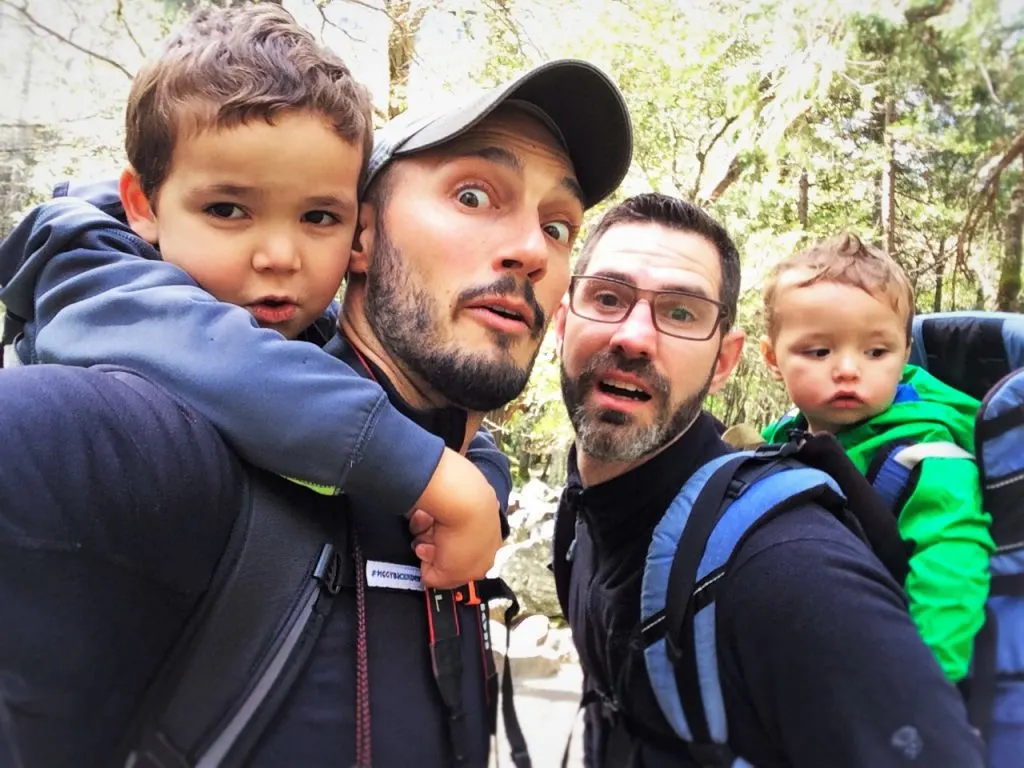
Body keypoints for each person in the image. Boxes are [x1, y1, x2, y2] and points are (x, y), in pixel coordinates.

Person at [0, 52, 633, 768]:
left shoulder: (461, 484)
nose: (531, 250)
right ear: (359, 235)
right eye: (474, 196)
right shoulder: (180, 444)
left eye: (558, 226)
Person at [0, 3, 506, 589]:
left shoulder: (306, 334)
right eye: (227, 210)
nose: (280, 256)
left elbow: (425, 420)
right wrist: (429, 475)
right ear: (143, 204)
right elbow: (215, 355)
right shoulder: (88, 276)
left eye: (319, 216)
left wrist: (482, 481)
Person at [552, 193, 985, 766]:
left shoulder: (790, 562)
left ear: (725, 360)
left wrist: (920, 676)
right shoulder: (584, 514)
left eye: (681, 311)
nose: (633, 336)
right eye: (607, 298)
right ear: (561, 321)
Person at [759, 233, 994, 684]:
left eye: (876, 352)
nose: (848, 369)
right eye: (819, 351)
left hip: (886, 673)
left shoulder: (927, 457)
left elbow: (951, 568)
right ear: (773, 358)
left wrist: (923, 685)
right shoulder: (781, 437)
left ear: (904, 354)